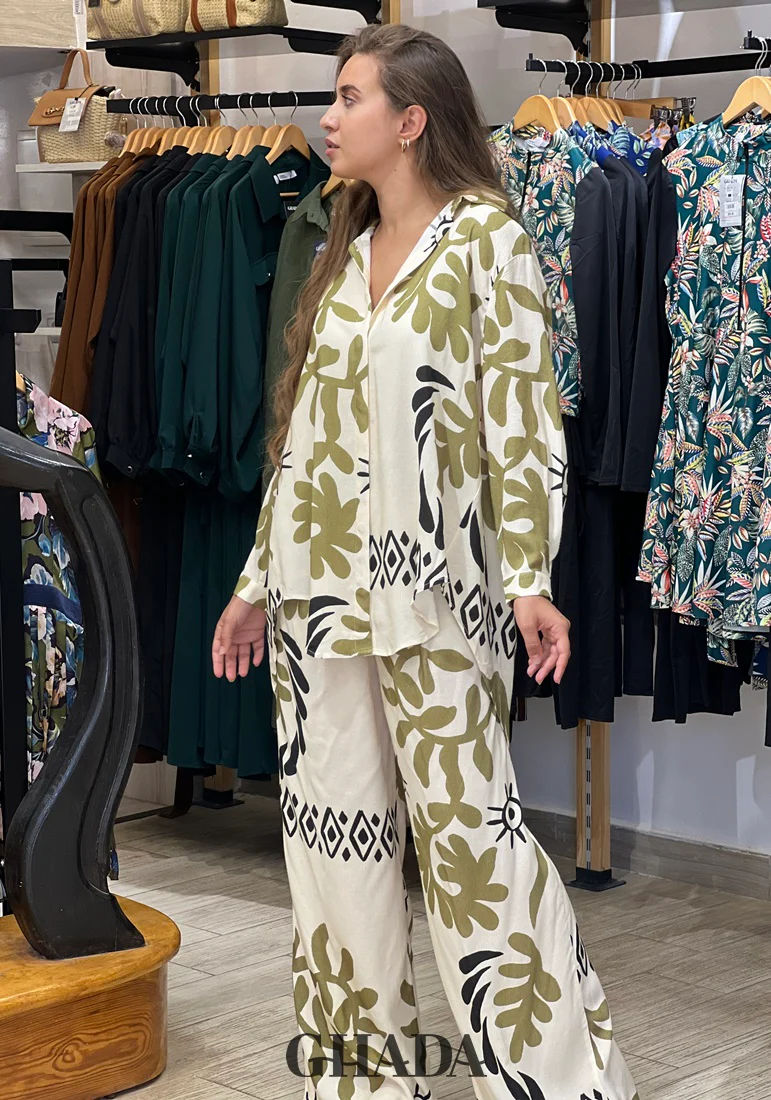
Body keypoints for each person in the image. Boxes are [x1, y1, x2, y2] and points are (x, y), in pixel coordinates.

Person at [214, 23, 638, 1100]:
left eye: (349, 97)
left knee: (472, 845)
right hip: (316, 594)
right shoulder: (339, 248)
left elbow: (523, 427)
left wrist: (529, 577)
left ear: (410, 121)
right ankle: (357, 1079)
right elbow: (304, 437)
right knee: (332, 845)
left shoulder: (488, 242)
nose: (328, 116)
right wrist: (256, 582)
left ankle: (560, 1078)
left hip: (438, 594)